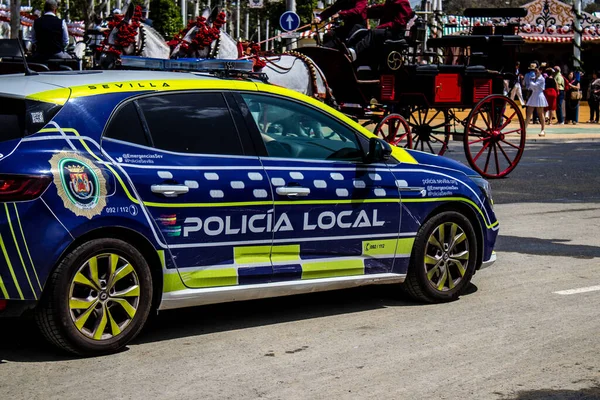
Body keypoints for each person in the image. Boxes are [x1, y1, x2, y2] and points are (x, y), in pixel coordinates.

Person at [346, 0, 414, 61]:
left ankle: (354, 52)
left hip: (396, 33)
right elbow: (385, 7)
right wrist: (372, 7)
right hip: (388, 30)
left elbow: (400, 23)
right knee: (362, 31)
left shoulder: (403, 2)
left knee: (373, 33)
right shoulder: (391, 1)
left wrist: (381, 27)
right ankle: (353, 51)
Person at [524, 63, 548, 136]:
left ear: (540, 71)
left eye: (536, 70)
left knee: (540, 113)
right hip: (534, 95)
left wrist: (530, 81)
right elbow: (530, 87)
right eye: (534, 71)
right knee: (528, 112)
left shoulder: (542, 79)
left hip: (539, 96)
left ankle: (543, 130)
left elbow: (535, 85)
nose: (535, 72)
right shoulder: (534, 77)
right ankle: (524, 129)